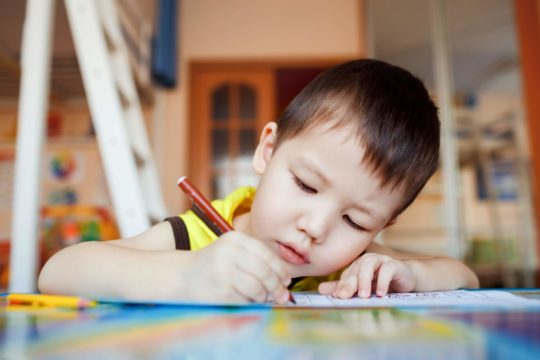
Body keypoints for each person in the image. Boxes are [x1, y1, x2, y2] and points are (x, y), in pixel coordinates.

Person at [38, 59, 479, 304]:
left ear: (384, 223)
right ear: (268, 151)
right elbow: (59, 271)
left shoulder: (350, 264)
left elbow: (466, 278)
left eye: (357, 221)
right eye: (307, 185)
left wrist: (409, 273)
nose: (316, 227)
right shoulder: (196, 236)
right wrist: (190, 276)